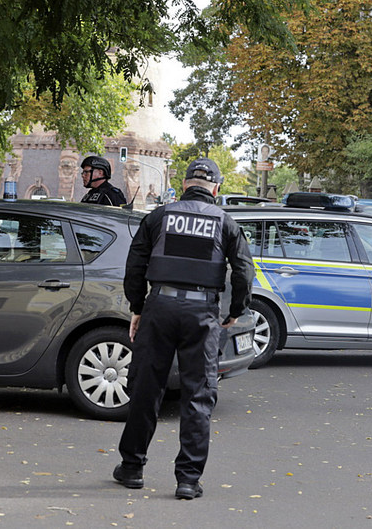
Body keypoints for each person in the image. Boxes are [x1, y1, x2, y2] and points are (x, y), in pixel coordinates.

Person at [113, 157, 253, 500]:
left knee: (147, 388)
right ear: (216, 189)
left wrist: (137, 307)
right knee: (198, 395)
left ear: (185, 184)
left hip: (159, 307)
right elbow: (243, 272)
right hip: (202, 313)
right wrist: (234, 311)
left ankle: (132, 468)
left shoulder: (159, 216)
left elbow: (135, 264)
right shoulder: (225, 223)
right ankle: (187, 480)